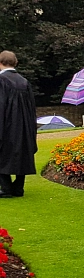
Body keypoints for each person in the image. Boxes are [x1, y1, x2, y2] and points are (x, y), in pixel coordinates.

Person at [0, 51, 38, 197]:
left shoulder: (2, 81)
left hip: (7, 126)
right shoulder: (24, 82)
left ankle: (6, 187)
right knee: (22, 153)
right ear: (15, 62)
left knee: (3, 154)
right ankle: (18, 187)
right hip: (23, 127)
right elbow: (31, 109)